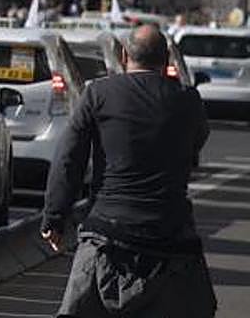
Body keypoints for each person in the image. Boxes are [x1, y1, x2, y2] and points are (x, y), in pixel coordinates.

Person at [41, 25, 215, 317]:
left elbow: (69, 159)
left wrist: (54, 217)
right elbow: (198, 140)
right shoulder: (188, 101)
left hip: (105, 237)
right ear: (167, 59)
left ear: (124, 56)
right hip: (171, 242)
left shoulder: (97, 94)